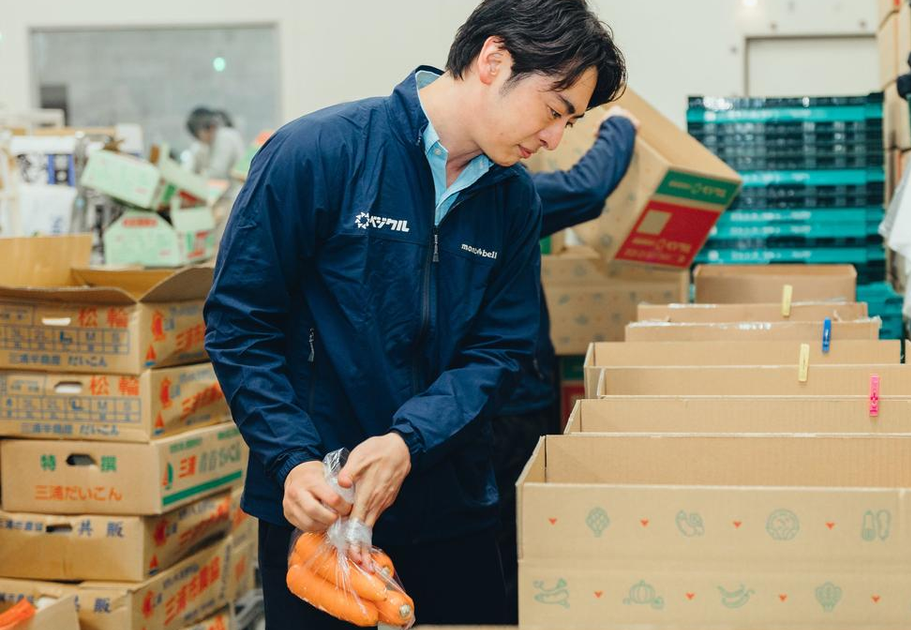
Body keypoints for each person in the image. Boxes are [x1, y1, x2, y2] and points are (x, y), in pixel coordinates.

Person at [202, 0, 626, 627]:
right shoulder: (319, 153)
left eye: (571, 121)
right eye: (554, 110)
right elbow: (240, 324)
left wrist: (409, 441)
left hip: (450, 510)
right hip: (317, 515)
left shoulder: (513, 200)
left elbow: (502, 349)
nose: (555, 139)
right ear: (494, 60)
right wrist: (291, 459)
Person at [490, 104, 639, 622]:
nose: (549, 140)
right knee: (515, 532)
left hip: (486, 396)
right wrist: (619, 129)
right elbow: (586, 188)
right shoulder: (499, 194)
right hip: (513, 399)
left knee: (500, 531)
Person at [185, 106, 246, 180]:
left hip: (237, 186)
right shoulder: (212, 142)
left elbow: (217, 173)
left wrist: (197, 176)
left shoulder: (225, 137)